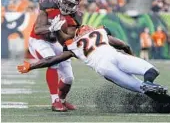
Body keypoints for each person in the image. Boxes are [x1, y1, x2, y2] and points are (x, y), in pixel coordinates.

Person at [18, 25, 167, 96]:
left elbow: (52, 59)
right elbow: (124, 45)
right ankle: (150, 84)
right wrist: (131, 58)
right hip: (116, 56)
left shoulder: (75, 45)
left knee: (141, 88)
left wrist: (31, 66)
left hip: (104, 68)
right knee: (152, 71)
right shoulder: (100, 32)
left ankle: (151, 90)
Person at [27, 0, 83, 112]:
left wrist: (59, 32)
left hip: (55, 41)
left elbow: (65, 39)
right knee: (53, 62)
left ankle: (62, 100)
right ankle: (55, 101)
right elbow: (38, 29)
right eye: (66, 2)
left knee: (69, 77)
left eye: (71, 4)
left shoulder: (77, 16)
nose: (67, 6)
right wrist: (51, 28)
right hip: (38, 40)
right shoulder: (48, 2)